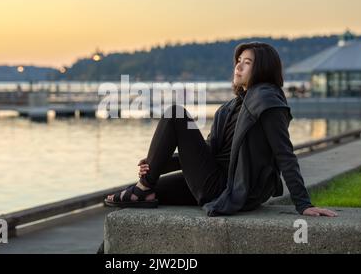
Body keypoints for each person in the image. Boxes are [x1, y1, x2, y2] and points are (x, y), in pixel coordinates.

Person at [104, 42, 337, 217]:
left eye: (248, 63)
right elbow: (208, 149)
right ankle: (146, 187)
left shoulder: (269, 103)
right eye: (239, 60)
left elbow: (284, 154)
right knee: (151, 193)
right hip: (213, 177)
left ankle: (143, 187)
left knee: (175, 114)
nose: (239, 66)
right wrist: (157, 164)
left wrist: (304, 204)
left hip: (231, 186)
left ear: (264, 69)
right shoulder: (232, 106)